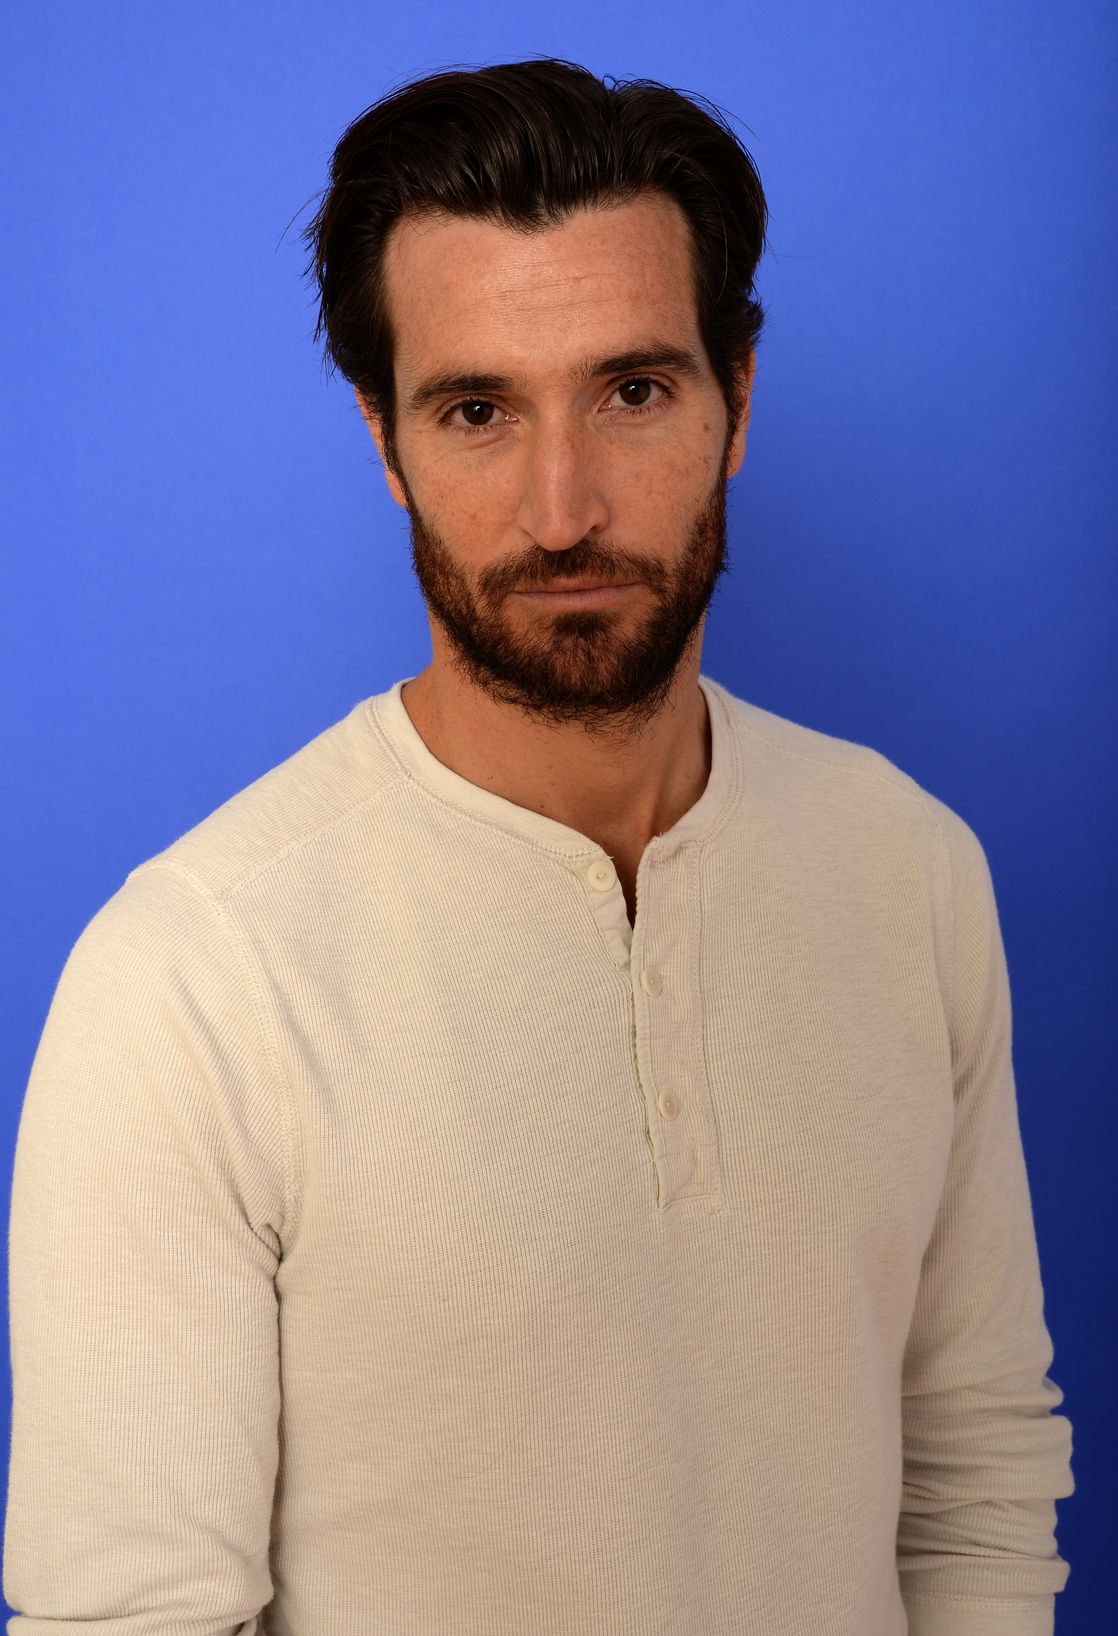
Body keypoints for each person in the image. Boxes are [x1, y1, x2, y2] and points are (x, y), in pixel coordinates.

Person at [5, 58, 1073, 1636]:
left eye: (631, 392)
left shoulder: (908, 868)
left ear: (736, 398)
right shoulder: (193, 976)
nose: (562, 508)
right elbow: (129, 1616)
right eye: (477, 411)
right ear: (385, 443)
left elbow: (972, 1478)